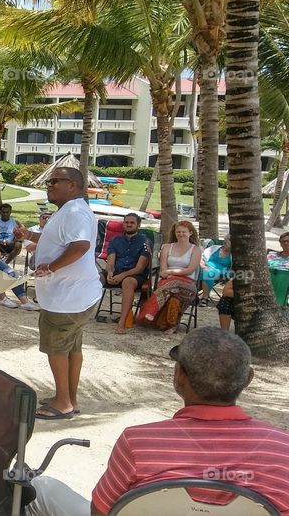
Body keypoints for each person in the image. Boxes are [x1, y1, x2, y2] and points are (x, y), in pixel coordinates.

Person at [28, 327, 289, 516]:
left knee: (38, 488)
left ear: (178, 377)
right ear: (248, 379)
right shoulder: (282, 448)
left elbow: (101, 513)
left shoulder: (138, 442)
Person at [19, 167, 101, 420]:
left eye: (55, 180)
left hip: (67, 299)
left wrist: (50, 267)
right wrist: (29, 235)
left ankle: (63, 403)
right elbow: (57, 240)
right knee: (71, 349)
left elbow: (80, 246)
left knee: (57, 349)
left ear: (73, 185)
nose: (49, 184)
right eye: (49, 180)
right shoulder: (68, 211)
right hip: (73, 296)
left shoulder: (75, 212)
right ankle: (69, 398)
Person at [137, 221, 201, 334]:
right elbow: (162, 270)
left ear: (190, 233)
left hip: (188, 285)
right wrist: (168, 274)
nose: (181, 234)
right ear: (175, 233)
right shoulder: (167, 247)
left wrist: (171, 272)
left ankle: (150, 311)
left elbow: (190, 270)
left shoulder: (195, 250)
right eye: (178, 232)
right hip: (167, 283)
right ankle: (172, 325)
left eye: (184, 232)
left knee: (172, 283)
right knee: (173, 296)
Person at [101, 213, 151, 334]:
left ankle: (122, 322)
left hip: (135, 275)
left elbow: (140, 267)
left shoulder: (145, 241)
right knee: (95, 277)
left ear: (138, 225)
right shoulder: (115, 240)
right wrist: (110, 273)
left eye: (132, 222)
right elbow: (110, 262)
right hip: (117, 272)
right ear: (123, 224)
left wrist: (122, 276)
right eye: (126, 222)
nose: (129, 224)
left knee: (128, 282)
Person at [198, 234, 232, 306]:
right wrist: (203, 265)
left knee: (209, 273)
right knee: (199, 271)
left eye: (228, 241)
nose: (225, 242)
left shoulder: (233, 255)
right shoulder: (214, 248)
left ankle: (205, 298)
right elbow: (201, 257)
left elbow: (232, 268)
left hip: (221, 271)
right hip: (205, 266)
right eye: (225, 240)